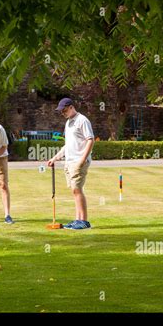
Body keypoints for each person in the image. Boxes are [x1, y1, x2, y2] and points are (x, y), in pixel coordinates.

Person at [48, 98, 94, 229]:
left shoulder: (82, 120)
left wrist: (82, 160)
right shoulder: (68, 123)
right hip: (69, 161)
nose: (63, 113)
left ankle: (84, 221)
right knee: (75, 191)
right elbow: (67, 146)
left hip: (78, 161)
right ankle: (78, 219)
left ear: (71, 107)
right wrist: (55, 158)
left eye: (64, 110)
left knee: (77, 189)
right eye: (61, 111)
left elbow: (90, 140)